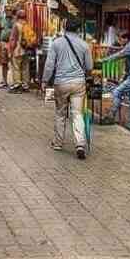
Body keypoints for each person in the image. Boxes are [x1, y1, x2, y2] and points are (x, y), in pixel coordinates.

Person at [42, 16, 93, 159]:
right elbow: (89, 67)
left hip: (61, 83)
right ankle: (80, 144)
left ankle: (58, 143)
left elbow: (49, 65)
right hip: (78, 84)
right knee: (77, 114)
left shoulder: (56, 43)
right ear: (78, 29)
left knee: (60, 113)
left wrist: (44, 81)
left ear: (64, 27)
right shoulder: (84, 45)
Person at [108, 30, 130, 132]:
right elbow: (127, 66)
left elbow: (118, 55)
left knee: (117, 92)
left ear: (125, 39)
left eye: (120, 39)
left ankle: (111, 115)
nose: (119, 41)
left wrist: (104, 60)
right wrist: (123, 77)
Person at [8, 9, 37, 93]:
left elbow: (13, 39)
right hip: (27, 50)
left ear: (17, 16)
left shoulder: (16, 25)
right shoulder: (27, 25)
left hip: (18, 50)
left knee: (16, 67)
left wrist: (11, 50)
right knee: (25, 68)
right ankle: (25, 85)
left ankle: (17, 85)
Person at [0, 10, 13, 89]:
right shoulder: (2, 19)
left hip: (12, 44)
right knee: (4, 63)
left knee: (13, 64)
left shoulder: (14, 20)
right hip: (3, 43)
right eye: (7, 10)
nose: (8, 12)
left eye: (9, 10)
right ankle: (4, 80)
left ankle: (15, 83)